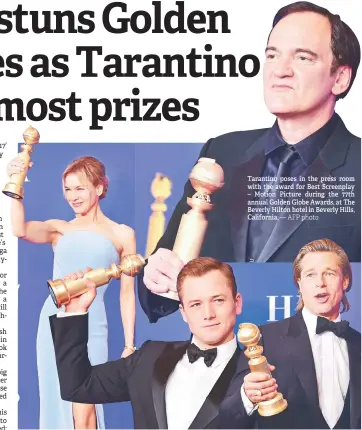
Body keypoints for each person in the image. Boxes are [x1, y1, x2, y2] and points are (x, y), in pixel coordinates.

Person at [139, 1, 361, 323]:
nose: (279, 69)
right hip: (223, 367)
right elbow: (162, 290)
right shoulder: (222, 152)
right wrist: (155, 277)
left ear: (340, 79)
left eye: (302, 57)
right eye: (272, 55)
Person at [8, 155, 136, 429]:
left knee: (86, 402)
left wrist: (129, 345)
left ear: (100, 188)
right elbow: (19, 229)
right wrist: (15, 183)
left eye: (79, 188)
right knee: (56, 397)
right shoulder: (60, 228)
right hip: (54, 320)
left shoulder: (122, 233)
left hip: (94, 323)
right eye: (67, 189)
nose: (72, 196)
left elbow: (127, 293)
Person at [50, 257, 242, 429]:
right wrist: (74, 311)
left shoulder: (259, 372)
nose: (208, 314)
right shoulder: (150, 356)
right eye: (196, 304)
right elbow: (78, 387)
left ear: (237, 303)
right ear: (183, 312)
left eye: (217, 300)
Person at [219, 238, 361, 429]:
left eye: (329, 273)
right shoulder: (264, 338)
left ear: (344, 281)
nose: (320, 283)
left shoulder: (358, 343)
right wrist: (247, 396)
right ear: (299, 283)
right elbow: (227, 419)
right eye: (310, 275)